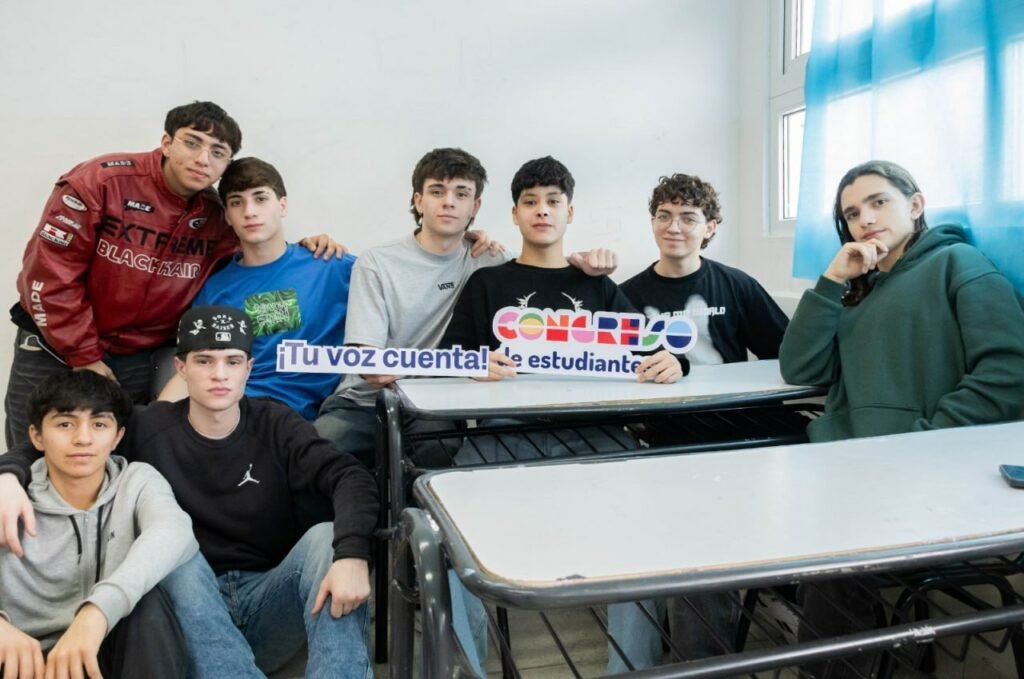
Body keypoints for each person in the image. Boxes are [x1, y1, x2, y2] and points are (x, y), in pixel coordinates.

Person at [0, 305, 380, 678]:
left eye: (232, 362)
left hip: (269, 599)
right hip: (187, 610)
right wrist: (7, 475)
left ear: (248, 368)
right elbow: (68, 440)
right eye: (204, 361)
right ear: (181, 368)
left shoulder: (277, 424)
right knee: (175, 553)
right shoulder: (147, 426)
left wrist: (352, 554)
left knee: (326, 539)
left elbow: (349, 475)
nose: (219, 374)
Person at [438, 156, 684, 673]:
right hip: (503, 437)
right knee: (447, 531)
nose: (542, 211)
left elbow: (654, 347)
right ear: (514, 214)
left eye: (553, 201)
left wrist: (674, 362)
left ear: (569, 212)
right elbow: (448, 360)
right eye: (530, 202)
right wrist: (474, 364)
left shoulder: (598, 285)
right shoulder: (486, 285)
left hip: (595, 435)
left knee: (645, 526)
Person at [779, 160, 1024, 677]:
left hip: (923, 478)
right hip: (847, 471)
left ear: (915, 205)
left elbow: (1008, 373)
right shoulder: (858, 286)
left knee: (835, 566)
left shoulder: (959, 264)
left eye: (879, 202)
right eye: (851, 213)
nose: (865, 219)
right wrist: (831, 280)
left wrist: (918, 445)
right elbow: (799, 367)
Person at [5, 101, 342, 447]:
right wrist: (84, 355)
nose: (202, 159)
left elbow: (258, 252)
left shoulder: (217, 214)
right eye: (192, 143)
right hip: (54, 346)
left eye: (217, 152)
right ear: (166, 143)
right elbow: (49, 274)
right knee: (31, 452)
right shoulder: (102, 182)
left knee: (117, 454)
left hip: (136, 357)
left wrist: (308, 251)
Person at [314, 147, 615, 467]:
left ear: (475, 206)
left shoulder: (488, 259)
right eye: (437, 191)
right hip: (364, 402)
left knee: (440, 456)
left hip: (435, 402)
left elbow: (540, 267)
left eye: (461, 193)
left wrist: (582, 264)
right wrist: (465, 362)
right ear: (418, 201)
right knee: (314, 453)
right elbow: (370, 367)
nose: (449, 202)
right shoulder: (376, 262)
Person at [605, 172, 789, 671]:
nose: (674, 226)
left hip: (737, 443)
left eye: (688, 217)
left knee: (708, 548)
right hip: (658, 443)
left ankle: (701, 659)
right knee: (679, 544)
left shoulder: (737, 285)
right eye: (664, 216)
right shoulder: (624, 295)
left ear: (710, 227)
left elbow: (786, 357)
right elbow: (609, 378)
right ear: (652, 222)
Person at [0, 371, 197, 679]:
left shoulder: (137, 480)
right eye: (65, 424)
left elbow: (174, 532)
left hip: (107, 654)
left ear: (118, 436)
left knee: (149, 606)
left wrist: (97, 611)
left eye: (99, 424)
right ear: (36, 436)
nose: (83, 438)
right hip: (21, 661)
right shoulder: (9, 494)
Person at [156, 157, 356, 420]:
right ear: (227, 216)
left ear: (282, 205)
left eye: (260, 198)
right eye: (236, 202)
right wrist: (153, 421)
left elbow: (393, 296)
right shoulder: (216, 289)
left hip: (309, 414)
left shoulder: (331, 265)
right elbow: (195, 370)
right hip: (235, 412)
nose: (249, 212)